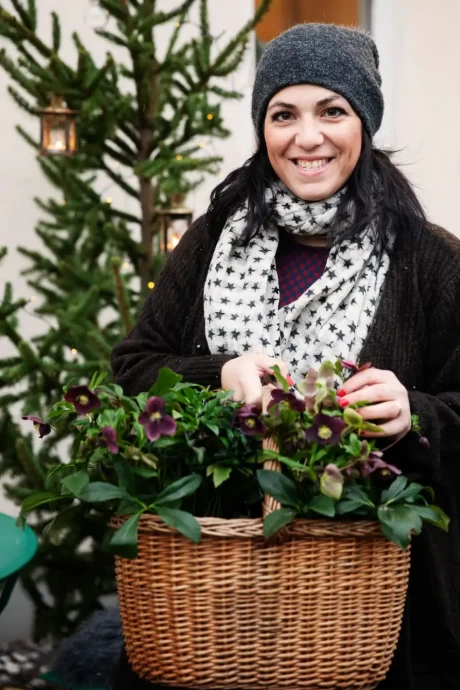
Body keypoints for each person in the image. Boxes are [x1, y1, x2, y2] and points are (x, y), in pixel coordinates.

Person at [110, 23, 460, 690]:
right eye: (283, 114)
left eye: (332, 110)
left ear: (366, 120)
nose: (307, 137)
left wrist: (412, 412)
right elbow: (133, 365)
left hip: (373, 613)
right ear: (262, 126)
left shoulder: (431, 261)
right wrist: (219, 374)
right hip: (211, 595)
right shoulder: (216, 238)